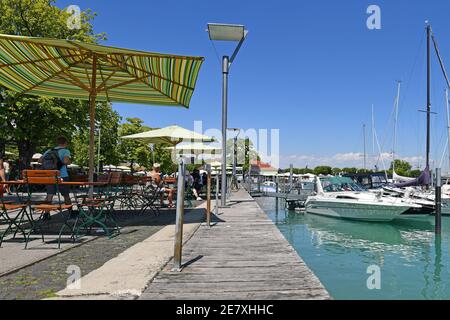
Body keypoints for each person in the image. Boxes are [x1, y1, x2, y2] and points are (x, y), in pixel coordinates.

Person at [40, 136, 73, 218]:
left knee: (49, 195)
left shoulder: (49, 150)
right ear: (65, 143)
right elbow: (66, 161)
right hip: (62, 175)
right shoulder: (65, 151)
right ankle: (70, 212)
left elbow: (40, 160)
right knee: (66, 195)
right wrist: (68, 161)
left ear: (57, 143)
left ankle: (46, 214)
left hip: (50, 176)